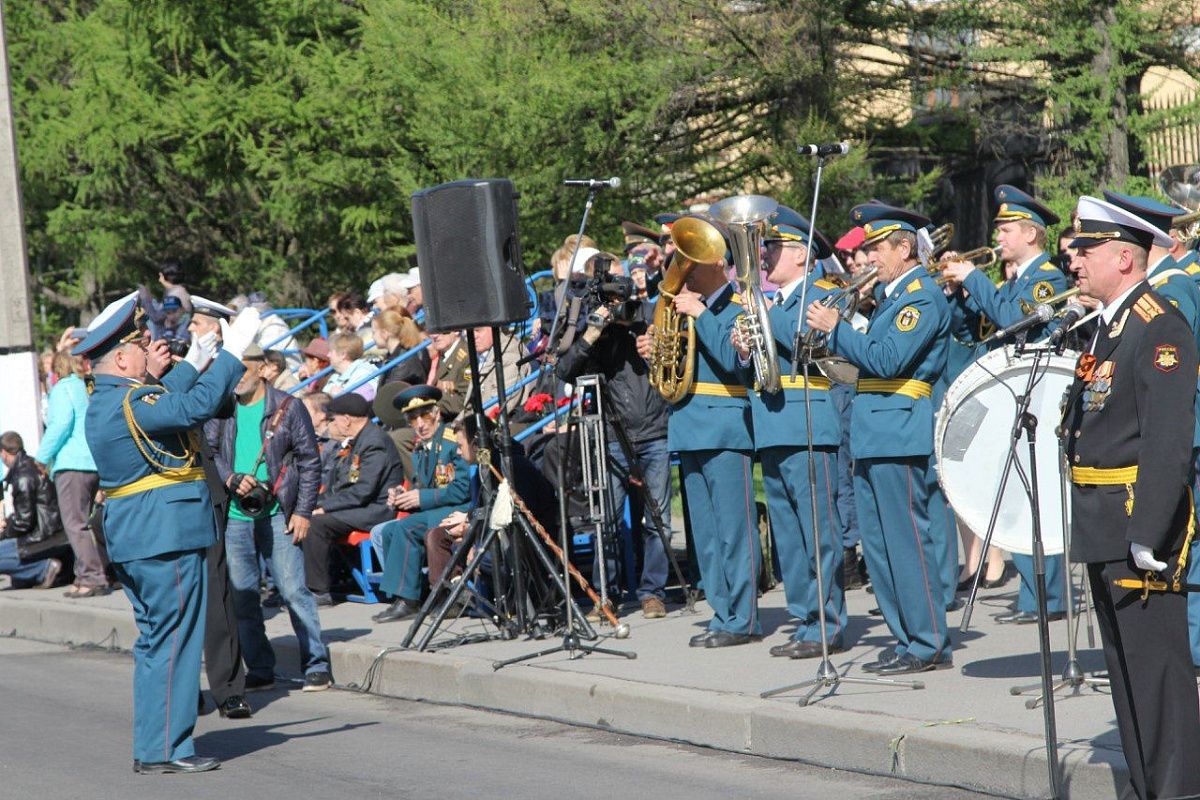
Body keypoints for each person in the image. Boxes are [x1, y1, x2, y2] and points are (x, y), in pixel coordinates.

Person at [76, 296, 256, 774]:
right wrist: (233, 352)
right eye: (138, 346)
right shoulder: (134, 399)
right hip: (165, 535)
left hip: (139, 535)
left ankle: (153, 746)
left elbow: (162, 402)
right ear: (120, 359)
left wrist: (196, 360)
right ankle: (173, 749)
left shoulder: (111, 399)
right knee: (176, 640)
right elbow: (189, 408)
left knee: (157, 643)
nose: (148, 350)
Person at [1063, 195, 1200, 800]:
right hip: (1102, 523)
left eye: (1086, 248)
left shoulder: (1158, 323)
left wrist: (1149, 529)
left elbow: (1168, 440)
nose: (1073, 259)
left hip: (1135, 525)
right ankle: (1150, 789)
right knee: (1125, 678)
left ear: (1124, 255)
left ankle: (1176, 791)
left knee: (1158, 681)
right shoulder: (1108, 325)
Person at [806, 202, 951, 675]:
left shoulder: (922, 298)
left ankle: (928, 641)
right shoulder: (891, 298)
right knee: (880, 547)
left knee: (907, 542)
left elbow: (888, 360)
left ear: (904, 248)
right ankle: (906, 637)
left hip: (899, 431)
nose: (867, 258)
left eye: (875, 248)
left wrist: (838, 329)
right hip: (873, 430)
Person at [941, 185, 1068, 621]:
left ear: (1031, 234)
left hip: (1038, 395)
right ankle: (1033, 597)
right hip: (1010, 394)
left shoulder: (1048, 278)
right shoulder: (1010, 281)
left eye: (1007, 229)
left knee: (1036, 497)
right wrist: (959, 293)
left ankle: (1048, 598)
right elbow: (972, 330)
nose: (999, 237)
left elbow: (1015, 321)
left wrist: (973, 279)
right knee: (1017, 498)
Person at [639, 230, 759, 648]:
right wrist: (656, 350)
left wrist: (701, 314)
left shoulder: (737, 305)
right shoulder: (686, 308)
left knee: (734, 531)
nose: (681, 266)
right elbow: (675, 370)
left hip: (725, 428)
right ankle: (722, 613)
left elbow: (734, 363)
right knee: (705, 537)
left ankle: (742, 618)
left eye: (689, 259)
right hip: (688, 427)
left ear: (714, 263)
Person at [740, 206, 845, 657]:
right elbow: (757, 361)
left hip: (807, 420)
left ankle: (829, 622)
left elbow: (805, 340)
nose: (764, 256)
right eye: (764, 247)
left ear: (801, 254)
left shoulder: (821, 295)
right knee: (787, 534)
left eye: (774, 248)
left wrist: (763, 315)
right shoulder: (775, 302)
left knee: (818, 531)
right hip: (772, 422)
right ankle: (805, 618)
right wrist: (744, 347)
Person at [206, 346, 332, 692]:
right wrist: (230, 478)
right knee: (243, 595)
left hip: (278, 511)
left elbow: (309, 461)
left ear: (263, 369)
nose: (236, 380)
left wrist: (304, 511)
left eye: (242, 371)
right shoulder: (222, 409)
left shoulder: (288, 407)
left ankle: (316, 663)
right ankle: (260, 666)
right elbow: (210, 453)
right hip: (235, 516)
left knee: (293, 590)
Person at [555, 264, 673, 620]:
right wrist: (593, 331)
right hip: (611, 434)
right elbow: (565, 370)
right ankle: (605, 594)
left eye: (622, 297)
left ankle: (653, 592)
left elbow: (676, 359)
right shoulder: (596, 329)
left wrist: (654, 344)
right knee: (605, 518)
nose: (617, 304)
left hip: (654, 430)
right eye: (611, 299)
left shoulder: (649, 316)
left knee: (659, 520)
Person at [187, 296, 253, 720]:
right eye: (194, 322)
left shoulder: (218, 369)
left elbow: (223, 405)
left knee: (219, 596)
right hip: (168, 491)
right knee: (174, 600)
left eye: (202, 324)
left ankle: (229, 688)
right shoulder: (177, 362)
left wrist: (223, 359)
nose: (195, 330)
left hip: (205, 490)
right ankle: (183, 688)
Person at [371, 385, 472, 623]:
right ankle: (405, 595)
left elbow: (462, 489)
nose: (420, 424)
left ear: (436, 413)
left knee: (406, 528)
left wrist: (420, 498)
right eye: (413, 418)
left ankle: (409, 601)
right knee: (389, 531)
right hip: (437, 508)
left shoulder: (449, 440)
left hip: (459, 508)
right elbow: (424, 486)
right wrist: (403, 496)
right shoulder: (420, 448)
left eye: (425, 415)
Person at [302, 392, 404, 604]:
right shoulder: (359, 440)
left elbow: (363, 491)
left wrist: (325, 508)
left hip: (374, 510)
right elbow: (342, 485)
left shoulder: (374, 442)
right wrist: (313, 503)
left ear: (346, 419)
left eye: (334, 418)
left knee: (315, 523)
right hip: (357, 506)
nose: (332, 424)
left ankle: (318, 591)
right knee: (301, 514)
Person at [35, 349, 110, 597]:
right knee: (85, 523)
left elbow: (61, 423)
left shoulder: (62, 389)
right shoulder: (81, 388)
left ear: (57, 370)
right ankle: (85, 575)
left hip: (71, 464)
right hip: (90, 463)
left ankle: (93, 577)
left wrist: (42, 457)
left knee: (75, 525)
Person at [1, 431, 64, 590]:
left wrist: (4, 532)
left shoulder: (23, 475)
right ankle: (30, 574)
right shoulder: (28, 466)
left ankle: (43, 569)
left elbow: (24, 522)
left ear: (4, 452)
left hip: (42, 535)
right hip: (49, 531)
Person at [372, 309, 431, 386]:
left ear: (384, 334)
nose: (372, 337)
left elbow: (391, 392)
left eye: (373, 332)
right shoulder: (393, 357)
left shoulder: (403, 364)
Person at [325, 332, 379, 401]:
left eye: (331, 352)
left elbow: (362, 403)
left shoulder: (365, 373)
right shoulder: (335, 376)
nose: (328, 355)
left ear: (343, 354)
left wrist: (339, 396)